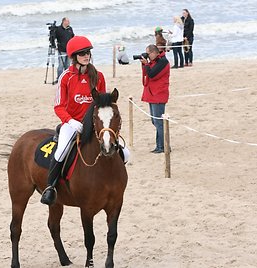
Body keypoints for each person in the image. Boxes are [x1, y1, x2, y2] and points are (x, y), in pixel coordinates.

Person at [40, 36, 130, 205]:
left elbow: (104, 104)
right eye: (82, 53)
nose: (86, 56)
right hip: (72, 123)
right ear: (74, 57)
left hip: (96, 124)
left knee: (125, 152)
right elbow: (58, 107)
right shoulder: (65, 77)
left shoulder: (99, 76)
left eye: (87, 52)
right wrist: (71, 122)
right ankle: (50, 188)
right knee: (61, 151)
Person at [139, 44, 170, 153]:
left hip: (159, 94)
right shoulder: (154, 62)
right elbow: (147, 75)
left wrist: (146, 64)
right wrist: (145, 65)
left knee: (159, 122)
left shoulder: (163, 62)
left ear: (154, 53)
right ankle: (160, 145)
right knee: (155, 121)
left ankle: (163, 146)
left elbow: (152, 74)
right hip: (152, 94)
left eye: (148, 54)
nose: (147, 56)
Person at [54, 17, 74, 82]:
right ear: (64, 21)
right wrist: (54, 46)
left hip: (69, 50)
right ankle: (59, 78)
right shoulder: (58, 29)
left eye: (69, 21)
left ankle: (67, 78)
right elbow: (53, 38)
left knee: (68, 65)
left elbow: (73, 37)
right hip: (61, 50)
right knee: (61, 65)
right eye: (67, 21)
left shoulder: (70, 29)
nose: (69, 22)